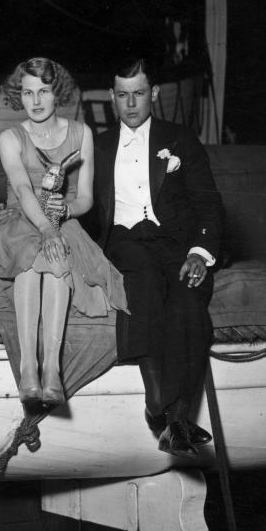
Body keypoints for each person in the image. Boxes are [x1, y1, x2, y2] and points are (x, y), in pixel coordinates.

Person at [94, 57, 224, 458]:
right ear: (112, 98)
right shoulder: (98, 145)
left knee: (188, 300)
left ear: (154, 94)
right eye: (122, 95)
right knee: (144, 282)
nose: (130, 104)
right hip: (125, 242)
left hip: (177, 244)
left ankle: (176, 420)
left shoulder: (180, 139)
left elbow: (208, 204)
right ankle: (160, 405)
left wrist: (200, 253)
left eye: (138, 94)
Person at [0, 58, 126, 410]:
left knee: (57, 258)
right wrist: (47, 228)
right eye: (28, 92)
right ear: (18, 95)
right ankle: (28, 366)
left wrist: (62, 214)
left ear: (57, 93)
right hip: (22, 219)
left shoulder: (82, 134)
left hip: (62, 218)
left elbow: (85, 199)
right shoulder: (11, 138)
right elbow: (21, 188)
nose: (35, 101)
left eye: (44, 92)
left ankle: (51, 368)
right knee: (33, 257)